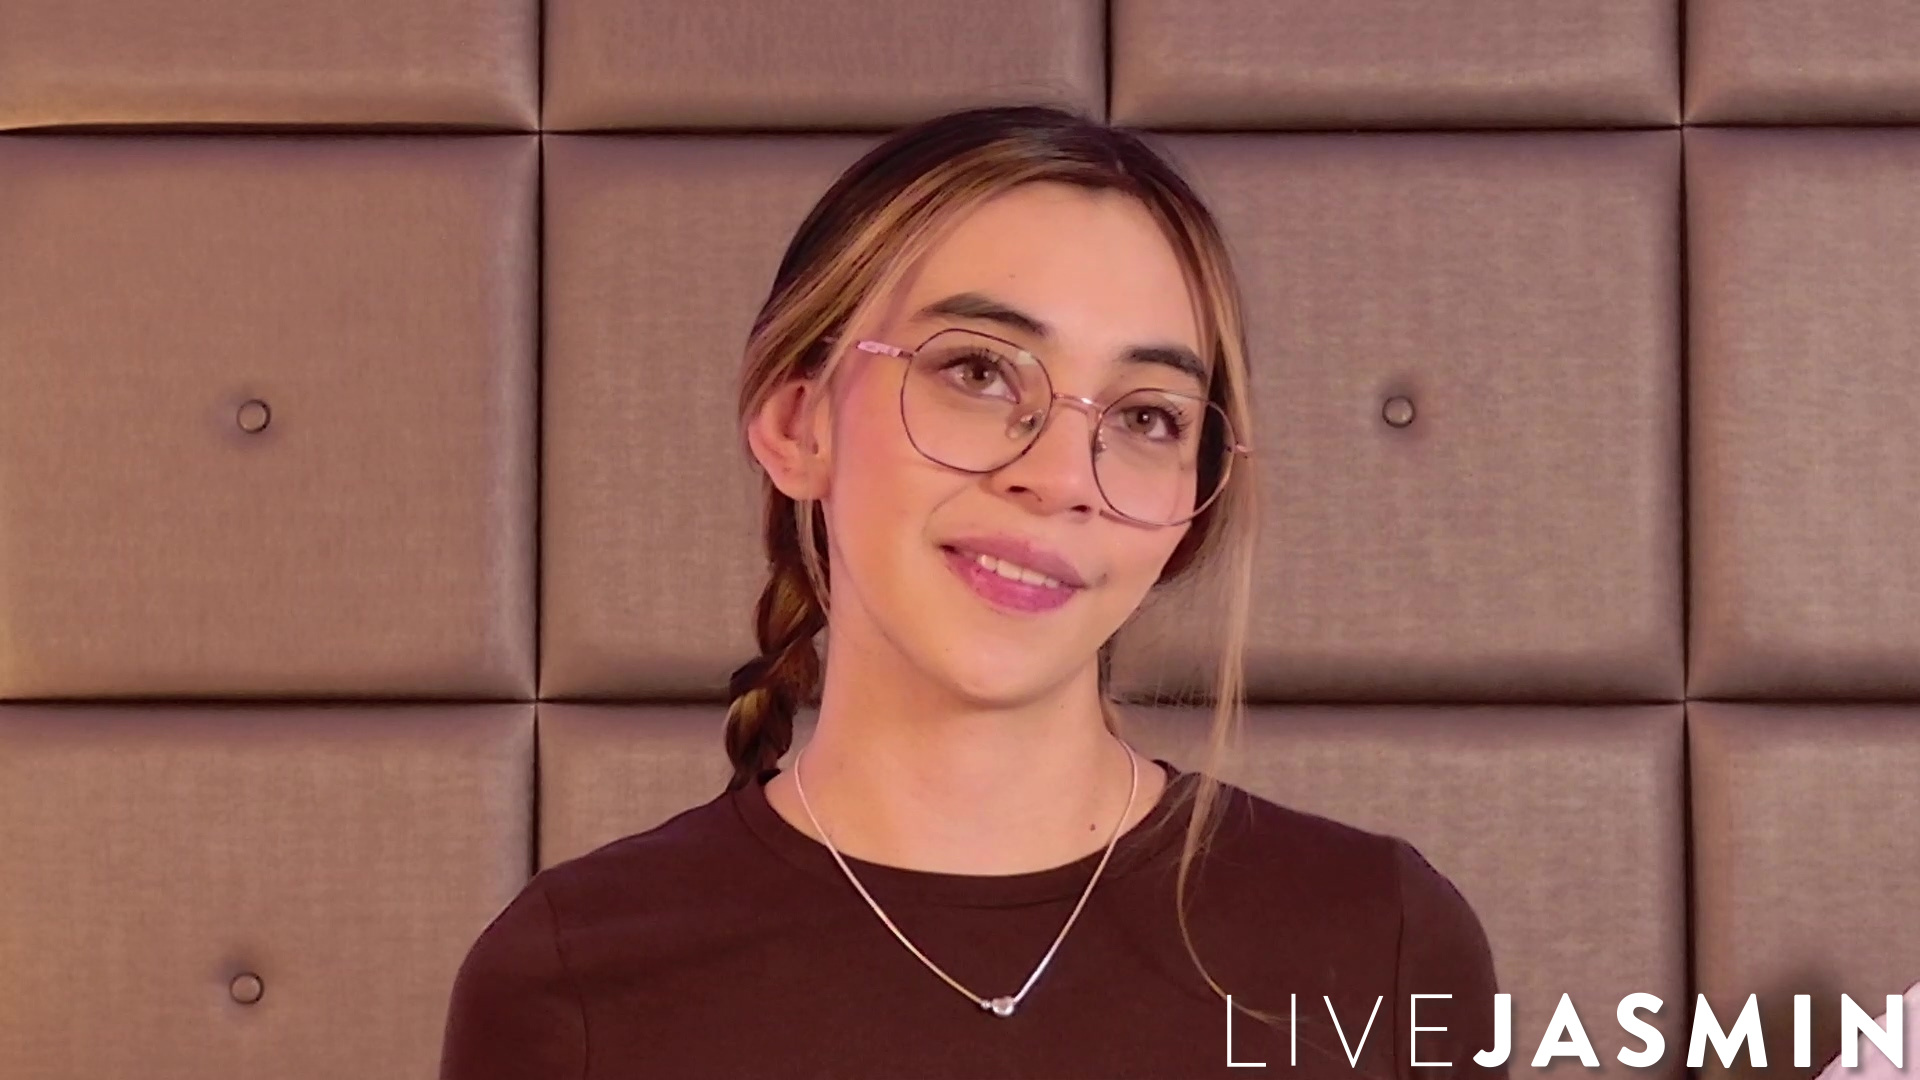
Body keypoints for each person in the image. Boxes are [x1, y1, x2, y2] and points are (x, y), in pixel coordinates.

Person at [438, 104, 1506, 1079]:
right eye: (980, 372)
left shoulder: (1382, 942)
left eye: (1146, 417)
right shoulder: (572, 982)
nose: (1060, 476)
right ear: (798, 424)